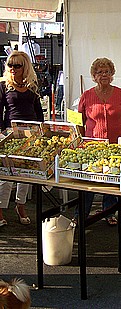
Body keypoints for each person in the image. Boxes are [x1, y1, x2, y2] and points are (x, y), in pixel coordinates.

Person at [75, 57, 121, 225]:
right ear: (94, 75)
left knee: (113, 181)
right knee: (88, 180)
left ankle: (109, 212)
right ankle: (81, 214)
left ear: (112, 74)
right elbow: (79, 121)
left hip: (117, 146)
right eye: (99, 72)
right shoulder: (86, 96)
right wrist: (80, 141)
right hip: (93, 146)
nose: (103, 75)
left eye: (107, 72)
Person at [0, 51, 44, 227]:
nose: (13, 68)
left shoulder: (32, 85)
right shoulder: (4, 86)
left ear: (25, 67)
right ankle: (1, 208)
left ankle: (21, 205)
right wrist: (2, 132)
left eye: (17, 65)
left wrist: (42, 129)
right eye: (10, 64)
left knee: (26, 173)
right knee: (5, 175)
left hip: (32, 133)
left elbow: (38, 109)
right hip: (11, 133)